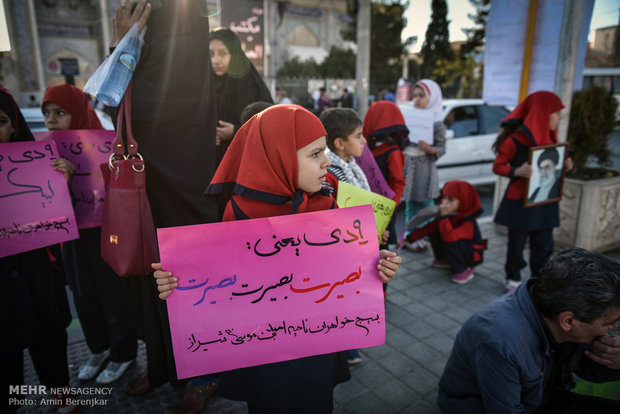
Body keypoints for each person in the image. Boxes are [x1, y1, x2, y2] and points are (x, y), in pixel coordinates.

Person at [154, 104, 401, 413]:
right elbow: (219, 282)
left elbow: (349, 267)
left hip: (316, 346)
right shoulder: (238, 211)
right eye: (314, 155)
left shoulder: (327, 201)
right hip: (265, 356)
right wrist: (176, 283)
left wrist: (378, 267)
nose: (326, 163)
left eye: (323, 152)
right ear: (278, 156)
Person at [109, 2, 221, 411]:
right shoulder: (157, 30)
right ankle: (161, 364)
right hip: (149, 184)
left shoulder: (183, 34)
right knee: (151, 278)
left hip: (184, 191)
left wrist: (122, 43)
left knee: (189, 279)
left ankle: (204, 375)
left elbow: (124, 99)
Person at [438, 248, 620, 413]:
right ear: (568, 321)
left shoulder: (562, 306)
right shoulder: (501, 341)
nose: (614, 328)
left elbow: (588, 369)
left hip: (543, 398)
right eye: (608, 323)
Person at [41, 84, 138, 384]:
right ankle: (99, 347)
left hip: (103, 232)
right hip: (70, 235)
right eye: (46, 114)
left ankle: (123, 353)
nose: (51, 120)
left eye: (60, 113)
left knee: (111, 294)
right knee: (83, 294)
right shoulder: (43, 151)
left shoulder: (103, 145)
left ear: (80, 113)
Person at [1, 86, 79, 414]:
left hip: (37, 262)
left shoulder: (37, 163)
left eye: (1, 121)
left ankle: (60, 393)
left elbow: (60, 217)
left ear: (14, 125)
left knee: (49, 329)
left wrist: (64, 181)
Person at [320, 107, 394, 365]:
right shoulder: (333, 174)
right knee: (345, 297)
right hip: (347, 249)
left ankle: (349, 344)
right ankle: (345, 346)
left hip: (363, 243)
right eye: (359, 136)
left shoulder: (352, 166)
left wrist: (379, 229)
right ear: (340, 144)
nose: (364, 141)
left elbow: (367, 208)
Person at [492, 91, 572, 292]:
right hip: (520, 202)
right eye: (557, 113)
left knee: (544, 245)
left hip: (545, 200)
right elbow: (498, 166)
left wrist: (566, 164)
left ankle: (540, 278)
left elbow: (553, 169)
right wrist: (516, 171)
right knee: (516, 245)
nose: (560, 118)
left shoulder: (552, 139)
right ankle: (513, 277)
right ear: (543, 113)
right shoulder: (515, 140)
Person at [209, 27, 273, 165]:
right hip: (211, 164)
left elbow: (270, 124)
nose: (215, 60)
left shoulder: (249, 83)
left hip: (244, 163)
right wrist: (206, 133)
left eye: (223, 53)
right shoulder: (205, 82)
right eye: (211, 54)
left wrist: (236, 131)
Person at [363, 101, 407, 295]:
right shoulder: (367, 151)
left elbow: (398, 183)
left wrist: (388, 209)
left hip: (384, 212)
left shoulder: (393, 153)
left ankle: (383, 290)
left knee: (384, 251)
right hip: (367, 209)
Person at [405, 180, 487, 284]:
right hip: (454, 242)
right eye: (444, 198)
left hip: (471, 255)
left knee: (450, 238)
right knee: (436, 230)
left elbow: (450, 237)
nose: (445, 203)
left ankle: (463, 269)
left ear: (463, 200)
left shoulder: (469, 222)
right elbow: (430, 227)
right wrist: (409, 238)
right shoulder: (452, 214)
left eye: (451, 200)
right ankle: (443, 259)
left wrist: (443, 217)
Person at [402, 79, 446, 253]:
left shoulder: (437, 122)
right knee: (410, 206)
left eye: (422, 96)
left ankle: (424, 238)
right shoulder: (409, 118)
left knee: (426, 208)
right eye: (415, 95)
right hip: (410, 168)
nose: (417, 99)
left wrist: (429, 149)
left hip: (425, 170)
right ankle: (409, 238)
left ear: (432, 98)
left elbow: (442, 148)